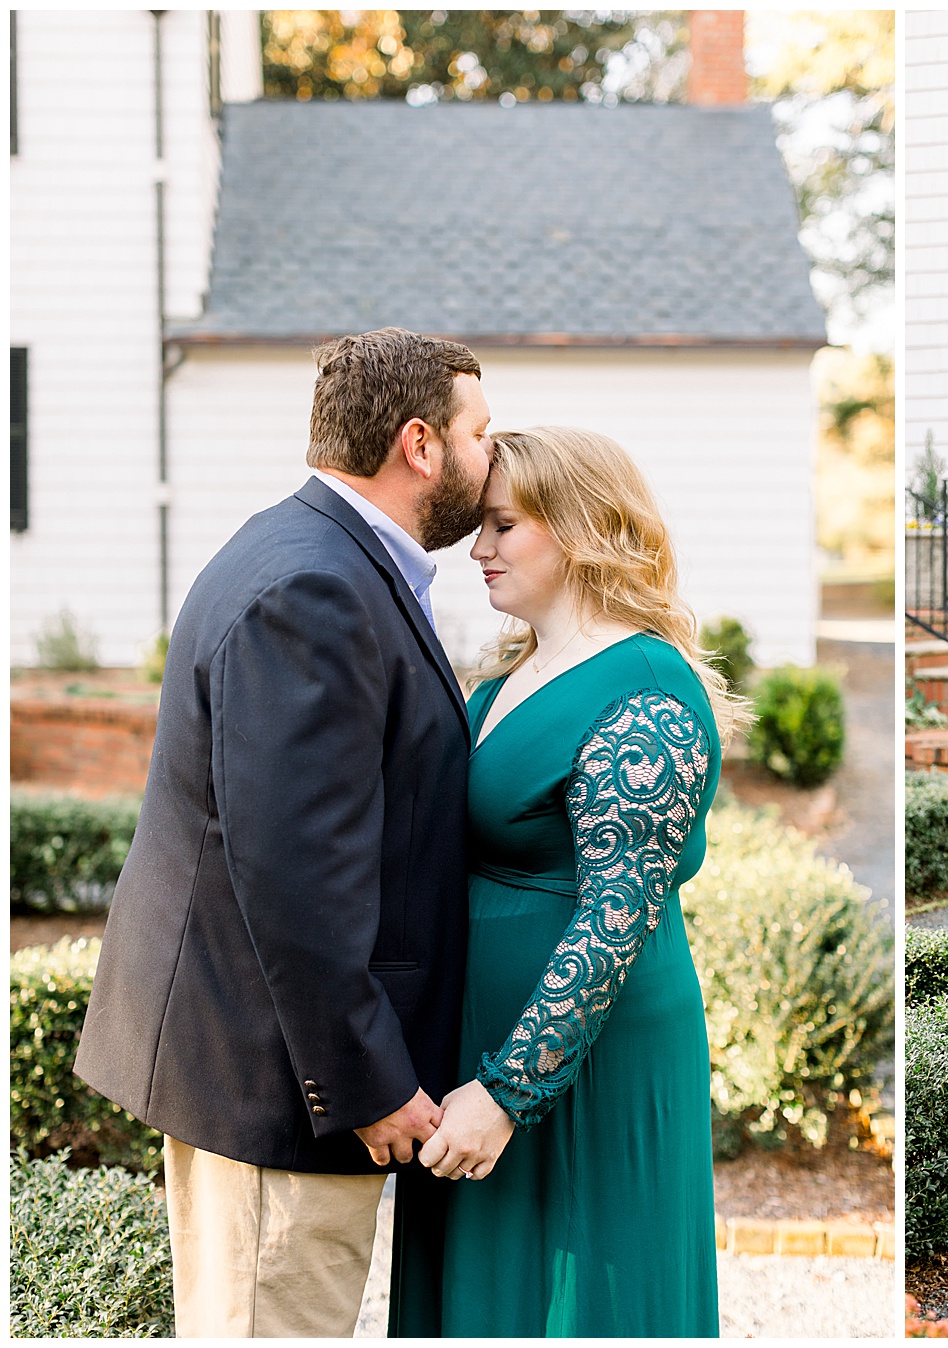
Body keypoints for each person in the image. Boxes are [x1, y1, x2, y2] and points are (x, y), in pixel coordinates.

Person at [73, 328, 494, 1336]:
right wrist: (367, 1081)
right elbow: (295, 876)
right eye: (483, 432)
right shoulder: (318, 588)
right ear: (420, 444)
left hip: (268, 1067)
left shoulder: (315, 553)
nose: (494, 456)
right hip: (279, 1085)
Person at [390, 426, 747, 1338]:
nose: (479, 549)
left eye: (505, 526)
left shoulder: (645, 694)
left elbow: (614, 917)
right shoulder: (511, 674)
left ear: (580, 526)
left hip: (579, 1060)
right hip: (482, 1055)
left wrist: (508, 1091)